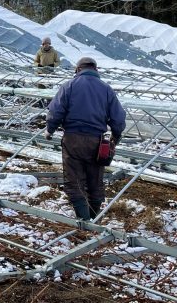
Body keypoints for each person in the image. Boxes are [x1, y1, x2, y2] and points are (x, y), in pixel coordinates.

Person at [45, 57, 126, 221]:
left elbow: (55, 112)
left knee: (73, 181)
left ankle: (84, 220)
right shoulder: (106, 89)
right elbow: (118, 119)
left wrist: (50, 130)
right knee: (95, 181)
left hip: (72, 139)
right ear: (96, 70)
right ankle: (94, 220)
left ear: (77, 69)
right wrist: (115, 138)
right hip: (96, 142)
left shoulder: (69, 86)